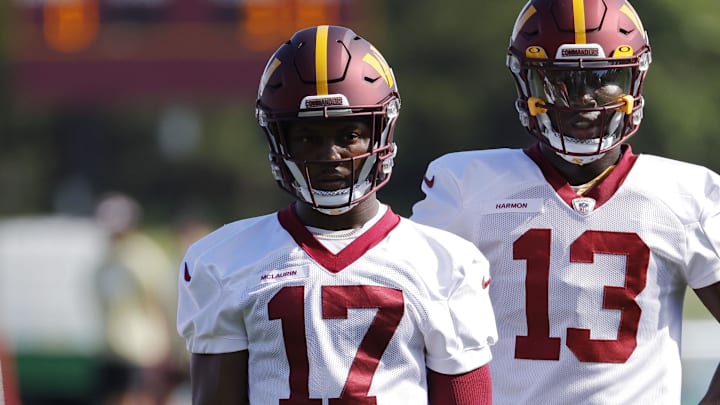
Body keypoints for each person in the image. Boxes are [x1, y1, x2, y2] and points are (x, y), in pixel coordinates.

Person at [411, 1, 720, 404]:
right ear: (527, 82)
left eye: (602, 77)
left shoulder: (686, 194)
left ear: (633, 80)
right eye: (560, 80)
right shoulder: (467, 186)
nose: (583, 98)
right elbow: (403, 326)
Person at [177, 25, 497, 404]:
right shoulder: (224, 261)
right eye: (309, 137)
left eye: (348, 136)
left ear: (381, 134)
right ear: (281, 141)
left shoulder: (445, 263)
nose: (330, 155)